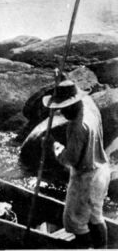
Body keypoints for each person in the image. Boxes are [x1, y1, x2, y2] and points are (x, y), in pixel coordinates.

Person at [43, 79, 110, 248]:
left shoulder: (77, 128)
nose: (63, 112)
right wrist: (60, 77)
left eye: (65, 108)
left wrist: (53, 145)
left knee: (74, 223)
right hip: (101, 170)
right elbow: (75, 90)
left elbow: (69, 160)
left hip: (86, 177)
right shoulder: (88, 104)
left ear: (73, 104)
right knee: (96, 216)